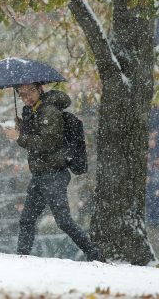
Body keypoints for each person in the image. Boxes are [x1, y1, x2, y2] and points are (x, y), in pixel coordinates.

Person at [6, 82, 104, 261]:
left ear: (39, 89)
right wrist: (21, 126)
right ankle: (21, 258)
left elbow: (47, 142)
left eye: (30, 93)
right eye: (22, 95)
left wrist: (19, 137)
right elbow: (35, 137)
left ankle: (95, 254)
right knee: (27, 219)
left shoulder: (49, 111)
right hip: (40, 174)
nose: (26, 98)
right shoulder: (33, 111)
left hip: (53, 174)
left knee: (64, 221)